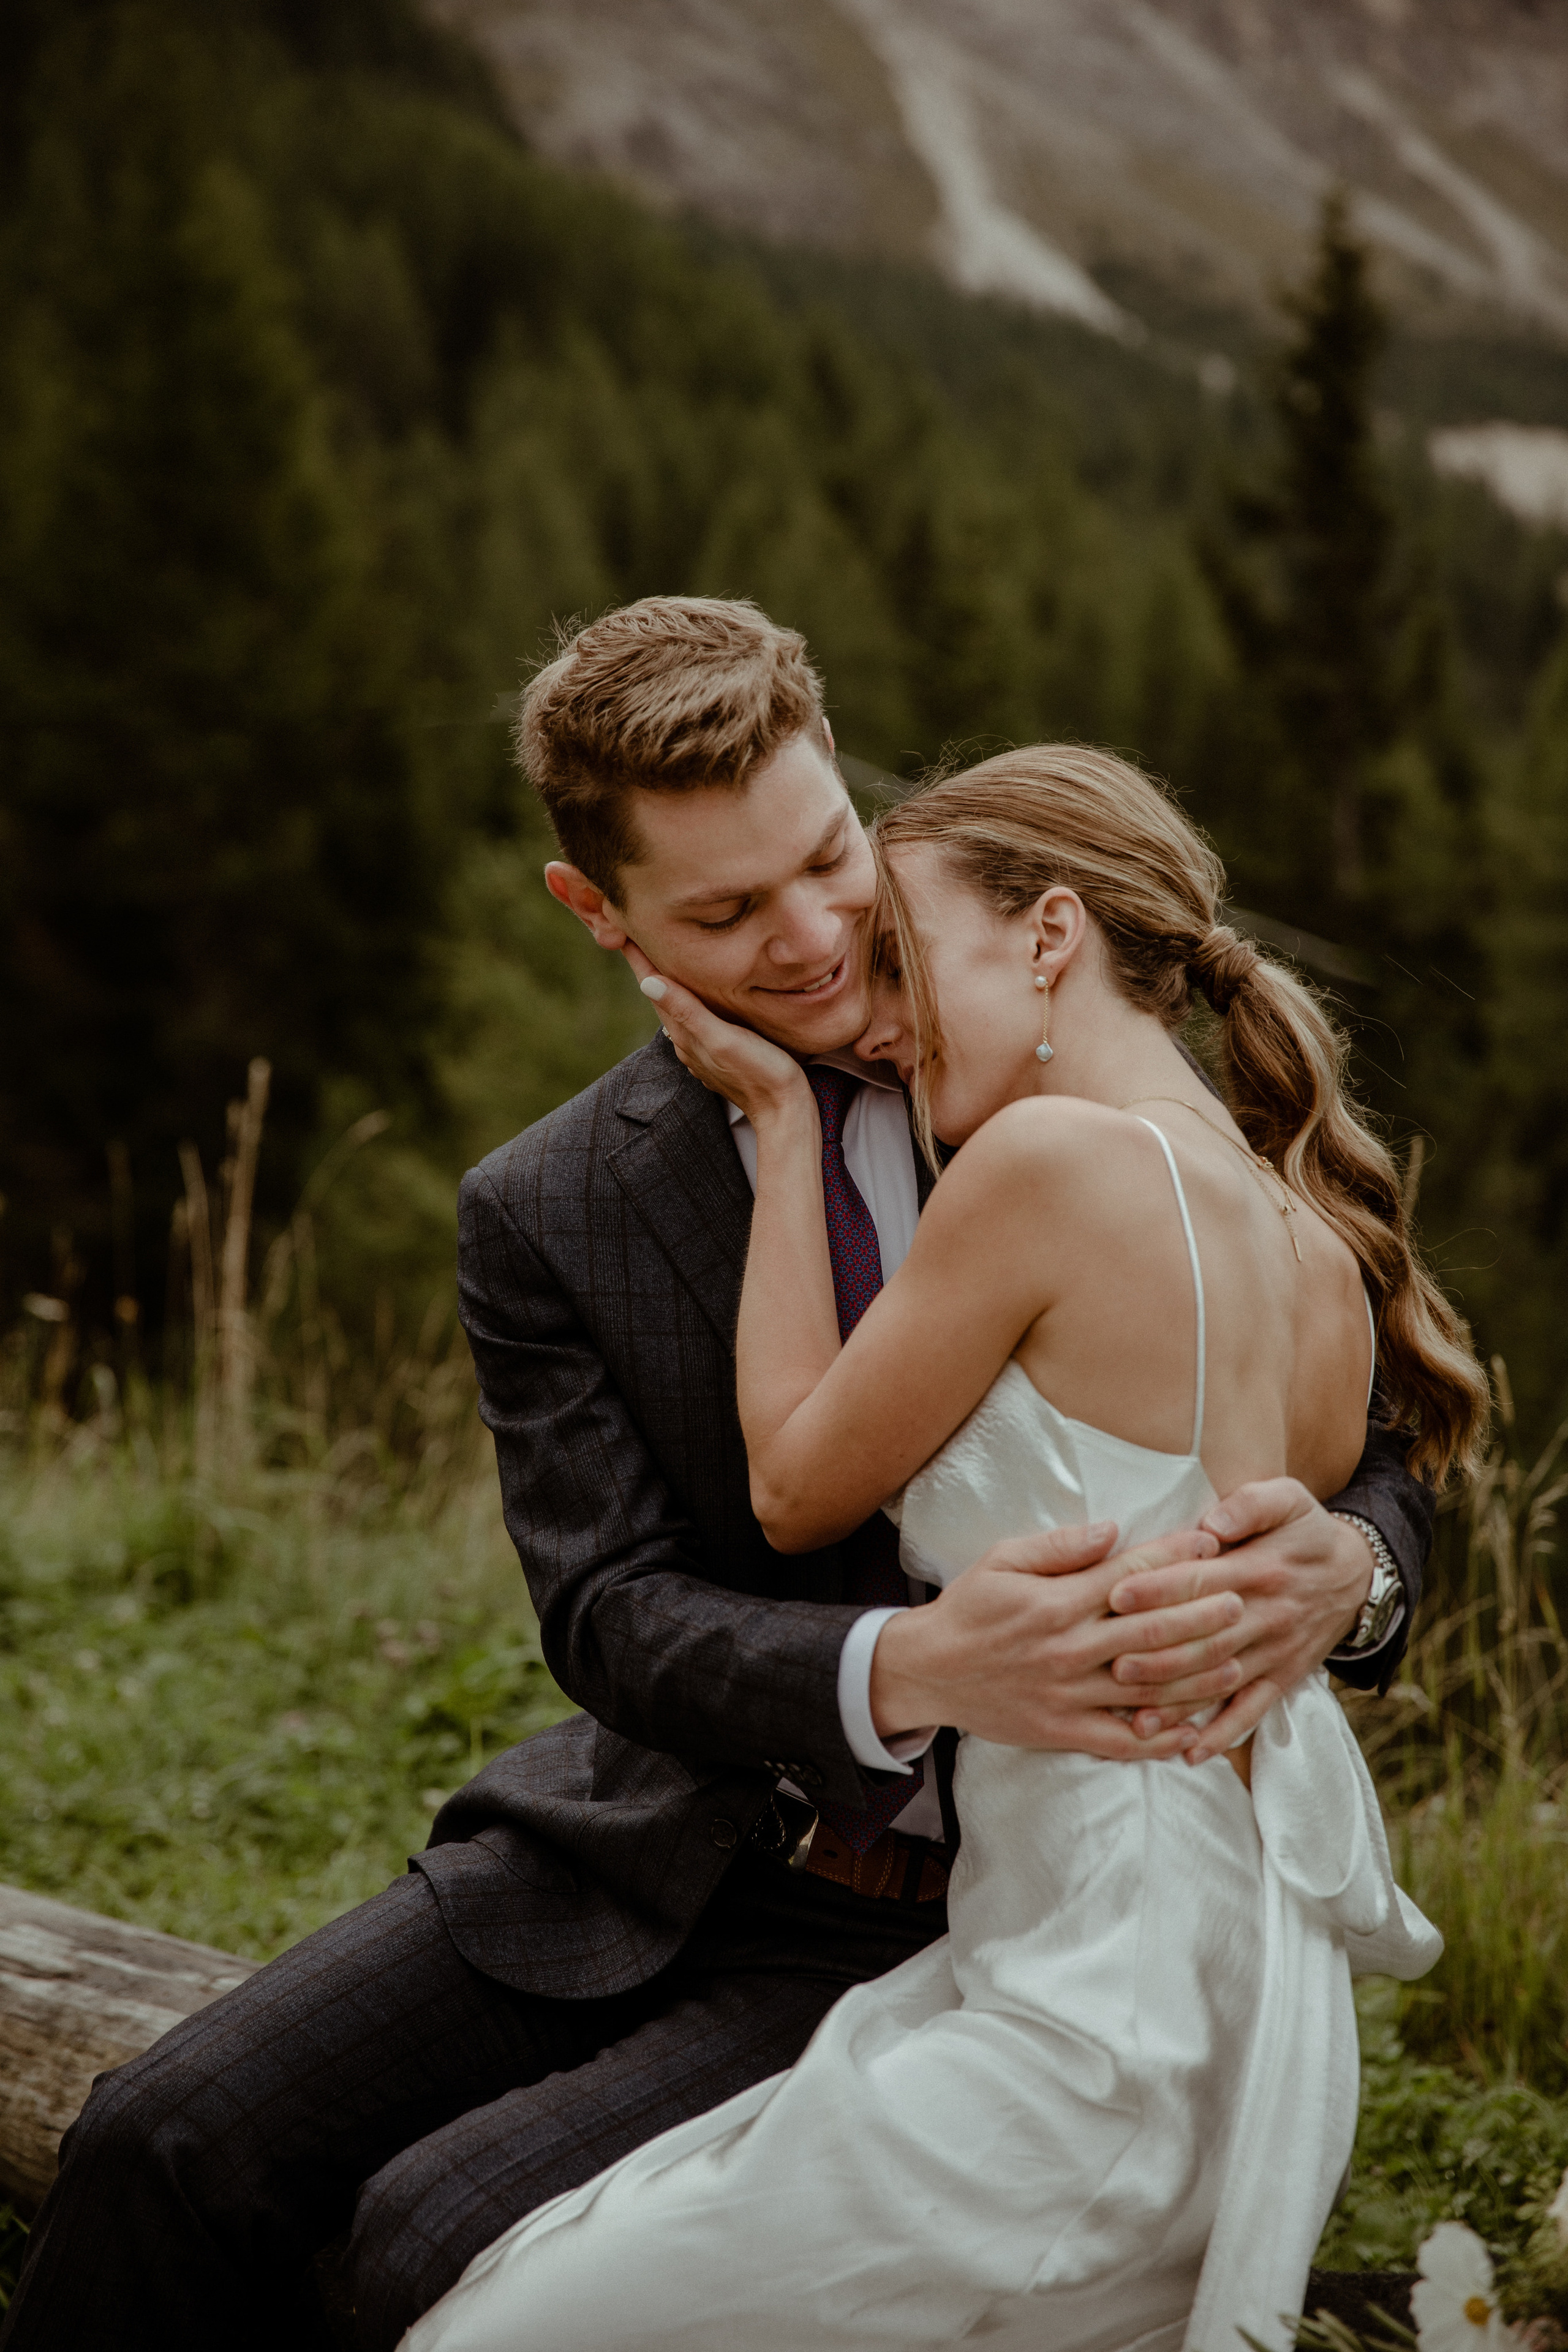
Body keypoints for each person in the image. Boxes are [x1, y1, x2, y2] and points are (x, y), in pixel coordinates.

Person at [0, 604, 1434, 2352]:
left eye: (830, 858)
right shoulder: (553, 1209)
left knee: (413, 2248)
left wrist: (1346, 1579)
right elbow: (608, 1610)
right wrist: (903, 1670)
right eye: (729, 914)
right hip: (648, 1844)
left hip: (957, 1927)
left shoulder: (1044, 1062)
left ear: (853, 791)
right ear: (600, 917)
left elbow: (1365, 1436)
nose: (825, 940)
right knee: (162, 2140)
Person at [402, 744, 1484, 2352]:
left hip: (1099, 1989)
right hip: (1225, 1974)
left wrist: (778, 1128)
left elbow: (793, 1488)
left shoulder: (1046, 1166)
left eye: (904, 959)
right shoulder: (1317, 1246)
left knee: (502, 2330)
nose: (879, 1019)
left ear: (1050, 936)